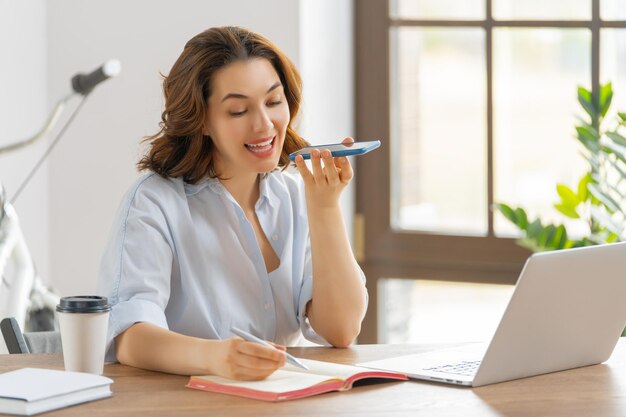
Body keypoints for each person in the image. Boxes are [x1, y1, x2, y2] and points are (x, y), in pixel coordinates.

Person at [97, 26, 368, 381]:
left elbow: (342, 329)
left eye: (273, 102)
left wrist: (325, 207)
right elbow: (129, 338)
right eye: (238, 110)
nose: (264, 124)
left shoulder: (293, 196)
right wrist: (214, 358)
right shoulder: (154, 202)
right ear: (202, 121)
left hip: (283, 401)